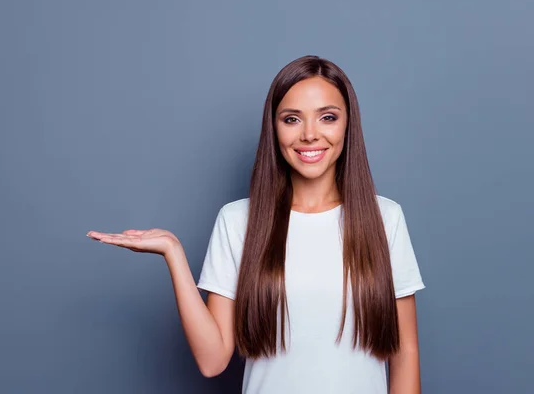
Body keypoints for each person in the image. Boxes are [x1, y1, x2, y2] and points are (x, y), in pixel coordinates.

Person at [87, 55, 426, 393]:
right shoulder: (238, 222)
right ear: (273, 127)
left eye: (327, 117)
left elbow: (405, 353)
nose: (310, 134)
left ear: (348, 125)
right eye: (292, 119)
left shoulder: (385, 219)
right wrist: (173, 254)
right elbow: (212, 359)